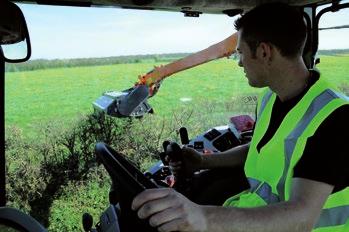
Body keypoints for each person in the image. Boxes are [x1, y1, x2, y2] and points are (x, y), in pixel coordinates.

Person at [132, 2, 349, 232]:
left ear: (264, 52)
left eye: (241, 53)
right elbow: (258, 149)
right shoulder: (270, 98)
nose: (239, 62)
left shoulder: (336, 118)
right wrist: (204, 162)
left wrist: (203, 217)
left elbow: (301, 217)